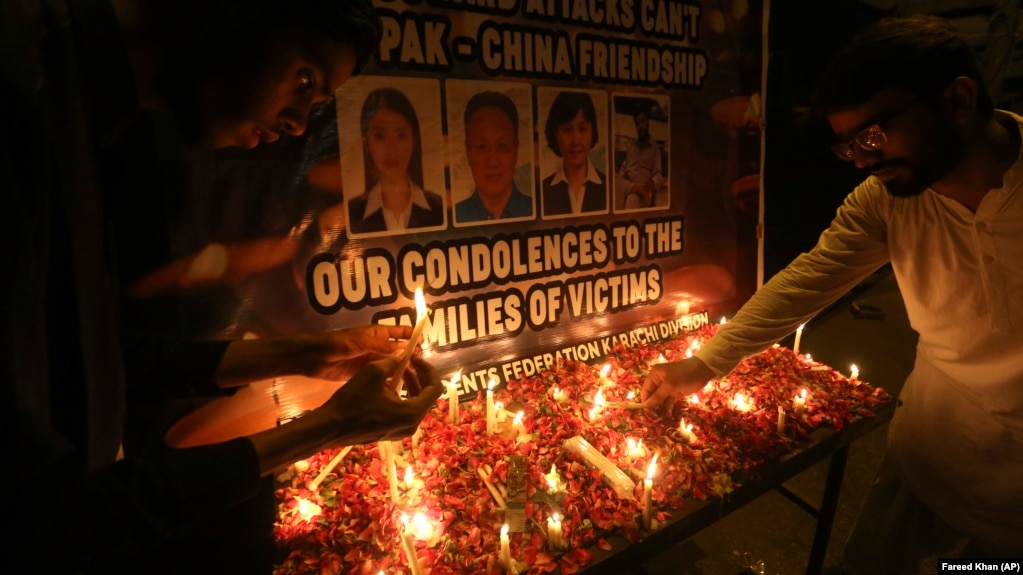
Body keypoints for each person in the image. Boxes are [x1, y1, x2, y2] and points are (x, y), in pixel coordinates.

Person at [2, 0, 443, 572]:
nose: (298, 125)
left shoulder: (77, 107)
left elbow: (88, 358)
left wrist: (307, 352)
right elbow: (32, 521)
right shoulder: (21, 99)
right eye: (304, 79)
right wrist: (330, 427)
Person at [641, 14, 1023, 571]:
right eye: (849, 147)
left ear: (958, 102)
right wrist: (705, 362)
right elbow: (811, 277)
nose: (864, 160)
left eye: (873, 135)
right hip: (931, 457)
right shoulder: (887, 199)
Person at [347, 87, 445, 234]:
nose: (392, 150)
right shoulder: (351, 213)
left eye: (401, 136)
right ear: (366, 143)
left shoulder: (440, 208)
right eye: (380, 136)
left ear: (415, 140)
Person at [455, 91, 534, 222]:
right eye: (481, 146)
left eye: (502, 146)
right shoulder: (455, 216)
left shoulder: (537, 210)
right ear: (468, 152)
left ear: (516, 151)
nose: (492, 161)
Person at [541, 91, 608, 217]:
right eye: (566, 130)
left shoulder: (609, 187)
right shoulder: (542, 191)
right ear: (555, 134)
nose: (575, 141)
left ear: (593, 131)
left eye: (582, 129)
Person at [615, 106, 665, 209]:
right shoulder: (632, 146)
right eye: (637, 124)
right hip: (627, 186)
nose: (640, 126)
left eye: (643, 122)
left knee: (631, 200)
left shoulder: (654, 148)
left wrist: (652, 182)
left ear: (648, 122)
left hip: (642, 190)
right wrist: (623, 175)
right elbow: (623, 168)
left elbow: (659, 174)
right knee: (610, 178)